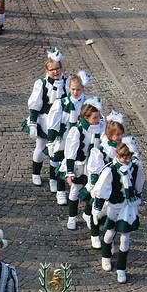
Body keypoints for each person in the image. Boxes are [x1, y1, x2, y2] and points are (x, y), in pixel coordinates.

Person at [92, 143, 145, 283]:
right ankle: (106, 256)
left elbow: (139, 185)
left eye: (128, 157)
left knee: (125, 237)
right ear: (117, 156)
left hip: (128, 207)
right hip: (114, 206)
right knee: (110, 234)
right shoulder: (110, 170)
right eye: (123, 157)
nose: (126, 160)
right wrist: (97, 209)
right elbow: (101, 189)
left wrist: (137, 195)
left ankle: (122, 268)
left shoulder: (135, 168)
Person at [23, 48, 67, 192]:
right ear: (47, 70)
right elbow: (35, 104)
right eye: (52, 69)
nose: (56, 72)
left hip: (61, 121)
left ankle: (53, 179)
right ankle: (36, 172)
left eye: (58, 68)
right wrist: (33, 124)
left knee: (57, 150)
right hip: (45, 120)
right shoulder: (41, 84)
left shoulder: (67, 83)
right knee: (41, 147)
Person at [83, 110, 124, 248]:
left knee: (112, 212)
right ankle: (94, 235)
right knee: (97, 212)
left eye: (120, 134)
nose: (119, 137)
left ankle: (109, 238)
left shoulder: (122, 148)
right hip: (102, 185)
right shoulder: (101, 150)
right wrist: (95, 188)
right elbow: (94, 170)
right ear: (109, 135)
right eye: (117, 135)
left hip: (115, 186)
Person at [62, 98, 103, 223]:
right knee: (75, 190)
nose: (98, 120)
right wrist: (69, 172)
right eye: (94, 118)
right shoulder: (77, 131)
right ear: (86, 117)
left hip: (93, 167)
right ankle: (72, 217)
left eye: (98, 117)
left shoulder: (101, 129)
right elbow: (70, 153)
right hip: (79, 166)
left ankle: (87, 214)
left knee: (94, 191)